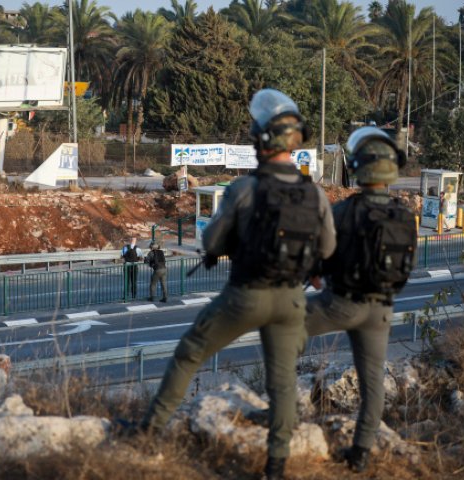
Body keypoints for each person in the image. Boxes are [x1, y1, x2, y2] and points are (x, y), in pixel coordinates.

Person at [123, 89, 337, 480]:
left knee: (190, 352)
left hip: (246, 295)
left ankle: (148, 433)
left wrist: (225, 246)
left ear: (262, 141)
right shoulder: (314, 193)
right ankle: (276, 465)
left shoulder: (244, 189)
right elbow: (327, 248)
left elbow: (212, 239)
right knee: (283, 380)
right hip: (292, 299)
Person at [305, 127, 417, 472]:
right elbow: (407, 263)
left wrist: (316, 273)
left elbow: (319, 257)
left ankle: (280, 415)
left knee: (282, 327)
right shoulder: (404, 215)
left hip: (340, 303)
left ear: (357, 168)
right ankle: (361, 454)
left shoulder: (344, 211)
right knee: (372, 384)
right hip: (381, 309)